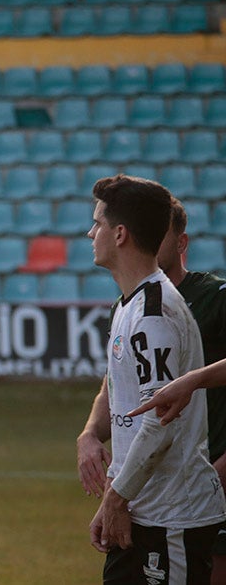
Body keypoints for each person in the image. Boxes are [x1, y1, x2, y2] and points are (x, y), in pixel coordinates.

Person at [84, 174, 225, 583]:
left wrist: (116, 495)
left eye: (98, 224)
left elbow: (161, 422)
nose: (91, 232)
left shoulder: (153, 315)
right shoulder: (131, 305)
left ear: (121, 234)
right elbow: (131, 415)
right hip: (143, 509)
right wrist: (115, 494)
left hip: (172, 518)